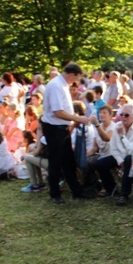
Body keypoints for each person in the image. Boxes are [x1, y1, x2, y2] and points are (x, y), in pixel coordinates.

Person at [40, 62, 94, 204]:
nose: (75, 82)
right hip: (54, 128)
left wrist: (72, 121)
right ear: (71, 75)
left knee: (68, 161)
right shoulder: (56, 85)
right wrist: (76, 118)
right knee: (56, 161)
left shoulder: (62, 84)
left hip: (62, 128)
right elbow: (58, 112)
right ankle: (54, 193)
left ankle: (77, 190)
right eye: (75, 78)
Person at [94, 103, 133, 205]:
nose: (123, 117)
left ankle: (124, 195)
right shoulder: (118, 126)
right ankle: (112, 189)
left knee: (128, 159)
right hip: (121, 156)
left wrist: (122, 136)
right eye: (121, 114)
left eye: (126, 115)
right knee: (100, 163)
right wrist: (119, 160)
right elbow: (113, 148)